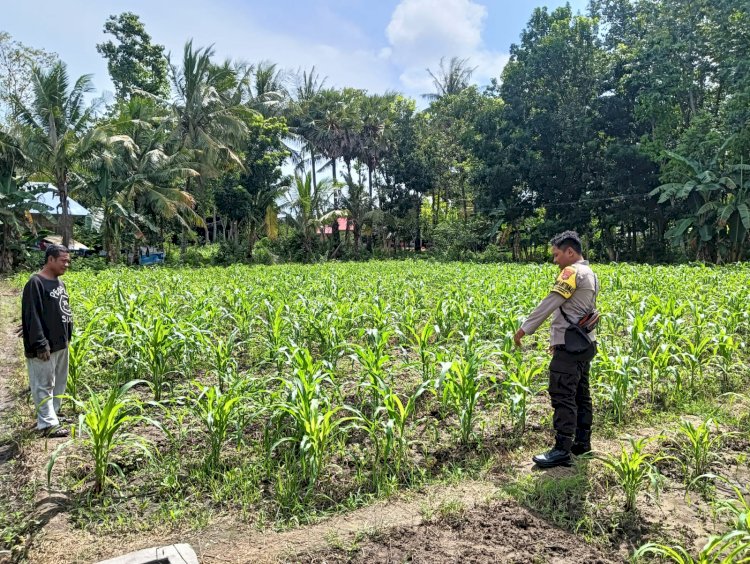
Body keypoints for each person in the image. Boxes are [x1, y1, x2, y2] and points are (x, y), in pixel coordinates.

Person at [513, 231, 599, 468]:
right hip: (585, 344)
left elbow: (549, 303)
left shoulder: (571, 272)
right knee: (581, 395)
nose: (555, 260)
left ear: (570, 252)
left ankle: (561, 449)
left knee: (562, 395)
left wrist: (523, 330)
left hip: (568, 349)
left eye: (557, 254)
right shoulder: (591, 273)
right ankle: (582, 443)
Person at [21, 244, 73, 437]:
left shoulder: (59, 283)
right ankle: (48, 425)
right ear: (50, 259)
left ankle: (54, 414)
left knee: (59, 382)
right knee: (43, 384)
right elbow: (31, 315)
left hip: (61, 343)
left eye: (68, 261)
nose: (66, 264)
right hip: (44, 346)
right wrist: (40, 343)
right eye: (63, 260)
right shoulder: (35, 283)